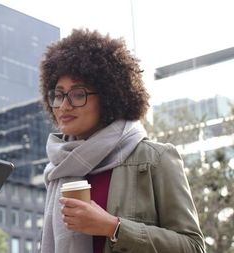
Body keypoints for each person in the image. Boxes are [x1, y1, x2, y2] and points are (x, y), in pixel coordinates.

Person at [38, 29, 206, 253]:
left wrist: (113, 227)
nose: (64, 106)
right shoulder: (58, 168)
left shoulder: (154, 159)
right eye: (58, 95)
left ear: (108, 97)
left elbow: (193, 247)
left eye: (78, 94)